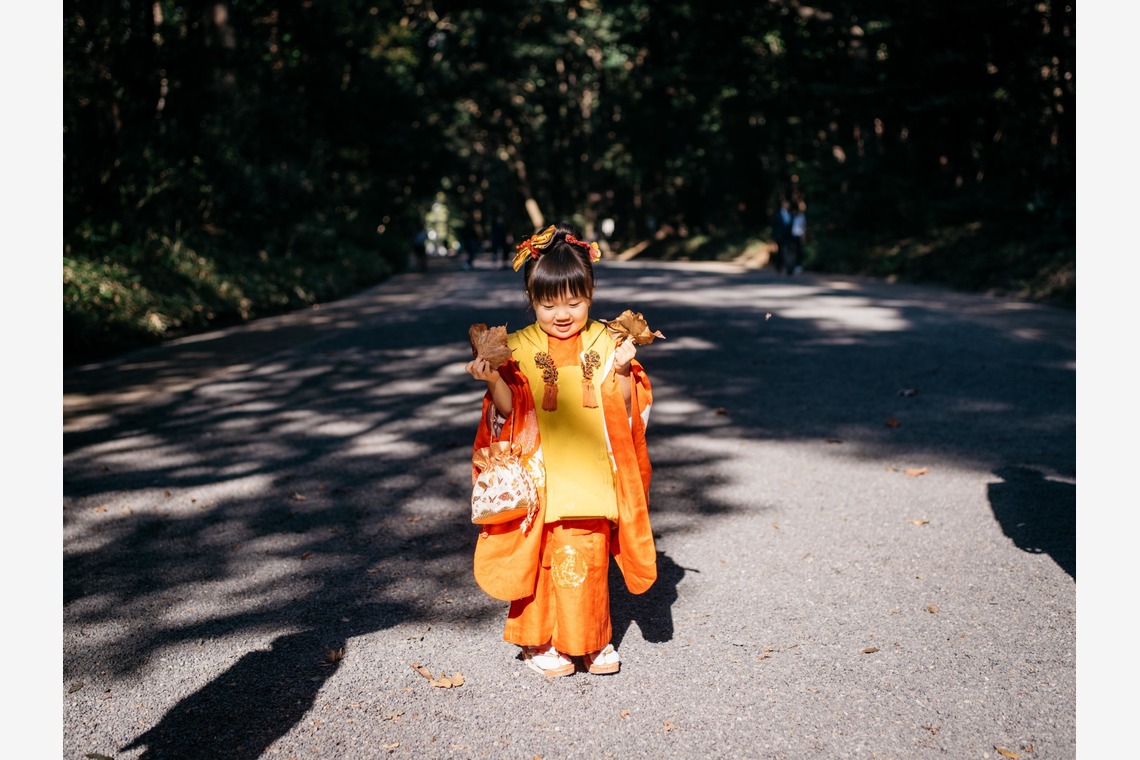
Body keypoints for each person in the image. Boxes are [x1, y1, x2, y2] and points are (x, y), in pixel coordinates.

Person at [464, 223, 657, 677]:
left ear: (590, 294)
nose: (563, 314)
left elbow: (628, 408)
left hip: (589, 475)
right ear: (532, 300)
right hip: (539, 477)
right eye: (548, 304)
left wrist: (626, 370)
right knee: (539, 557)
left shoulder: (607, 341)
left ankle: (591, 640)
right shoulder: (517, 347)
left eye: (575, 301)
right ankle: (537, 641)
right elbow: (511, 412)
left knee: (585, 557)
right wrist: (493, 380)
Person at [769, 197, 793, 274]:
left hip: (788, 237)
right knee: (780, 252)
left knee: (787, 251)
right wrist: (773, 237)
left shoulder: (790, 214)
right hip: (779, 237)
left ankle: (789, 267)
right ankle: (779, 266)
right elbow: (774, 226)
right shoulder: (777, 215)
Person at [789, 200, 807, 274]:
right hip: (792, 235)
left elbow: (804, 227)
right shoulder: (792, 216)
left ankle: (798, 266)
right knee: (791, 251)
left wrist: (803, 236)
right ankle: (791, 266)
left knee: (799, 252)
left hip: (799, 235)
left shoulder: (802, 216)